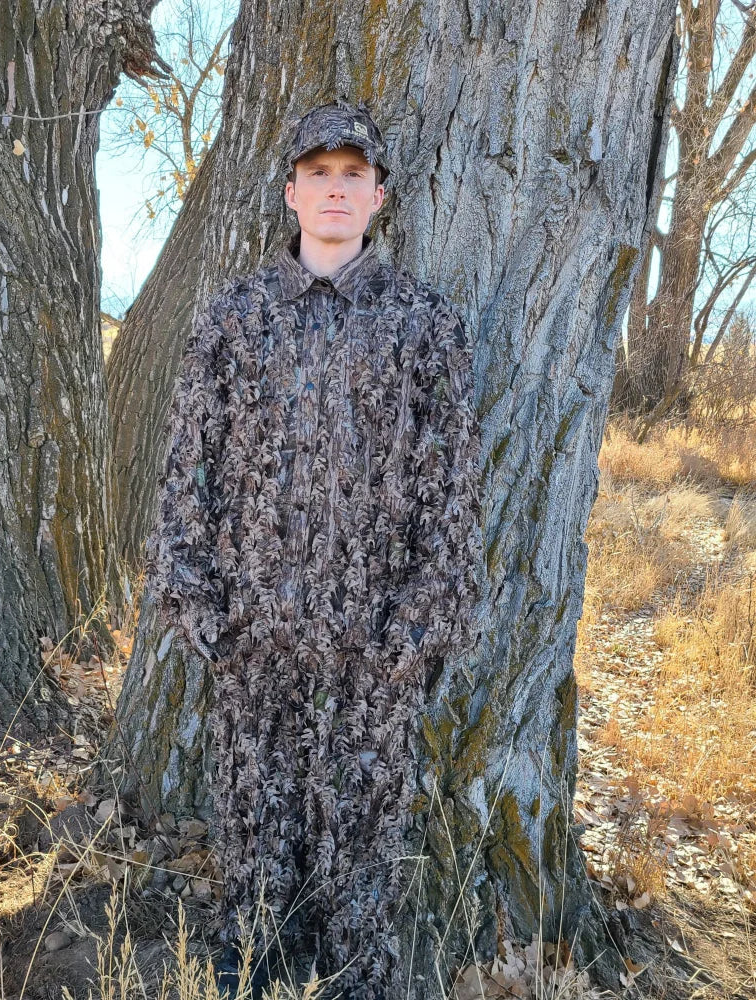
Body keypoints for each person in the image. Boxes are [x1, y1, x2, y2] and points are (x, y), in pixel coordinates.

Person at [143, 100, 483, 999]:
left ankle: (354, 976)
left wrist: (417, 628)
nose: (336, 189)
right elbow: (186, 468)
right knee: (253, 829)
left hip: (376, 642)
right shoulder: (235, 318)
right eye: (319, 174)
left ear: (379, 197)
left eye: (354, 175)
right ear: (291, 193)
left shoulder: (425, 324)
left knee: (363, 842)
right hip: (256, 633)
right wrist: (199, 607)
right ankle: (253, 965)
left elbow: (454, 489)